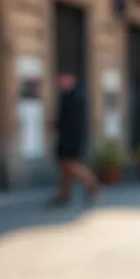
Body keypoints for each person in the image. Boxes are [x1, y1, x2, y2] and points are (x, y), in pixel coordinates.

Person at [50, 72, 99, 206]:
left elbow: (74, 122)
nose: (59, 82)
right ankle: (64, 195)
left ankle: (92, 186)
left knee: (72, 165)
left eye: (62, 79)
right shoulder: (67, 95)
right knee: (65, 168)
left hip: (72, 138)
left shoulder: (75, 97)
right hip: (67, 137)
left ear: (70, 79)